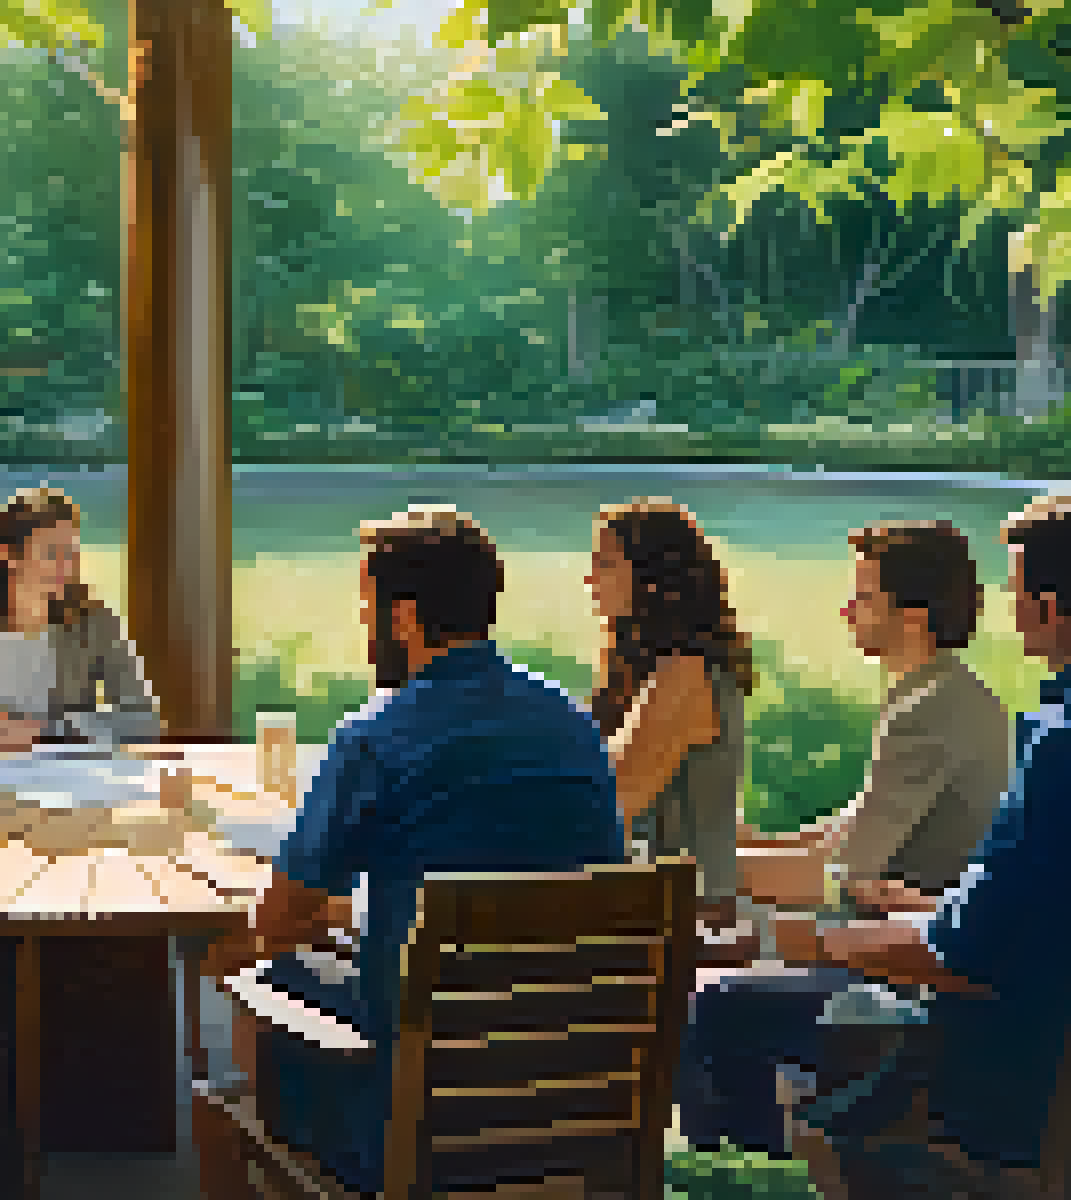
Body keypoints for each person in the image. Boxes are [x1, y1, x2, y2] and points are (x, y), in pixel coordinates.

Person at [773, 492, 1071, 1194]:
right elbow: (1049, 913)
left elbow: (966, 959)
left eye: (1015, 590)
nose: (1007, 607)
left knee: (777, 1028)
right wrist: (931, 910)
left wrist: (806, 941)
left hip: (1031, 1106)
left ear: (1047, 608)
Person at [192, 507, 630, 1197]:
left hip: (421, 1120)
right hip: (572, 1107)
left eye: (368, 607)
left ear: (402, 619)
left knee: (247, 1001)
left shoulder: (375, 738)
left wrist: (234, 950)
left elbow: (280, 921)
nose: (366, 626)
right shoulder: (576, 731)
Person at [678, 519, 1010, 1156]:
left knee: (707, 978)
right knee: (722, 922)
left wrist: (704, 870)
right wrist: (740, 845)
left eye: (862, 595)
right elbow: (841, 836)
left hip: (904, 973)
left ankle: (741, 1155)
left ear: (912, 616)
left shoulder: (929, 714)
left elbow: (841, 876)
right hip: (906, 946)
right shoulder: (944, 695)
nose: (846, 609)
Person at [587, 498, 756, 928]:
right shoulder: (661, 673)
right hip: (662, 903)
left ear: (652, 579)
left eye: (605, 564)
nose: (590, 579)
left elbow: (605, 805)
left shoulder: (682, 678)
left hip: (687, 918)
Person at [0, 486, 162, 752]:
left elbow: (144, 722)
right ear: (9, 555)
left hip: (74, 783)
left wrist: (48, 732)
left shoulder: (94, 622)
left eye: (71, 552)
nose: (67, 565)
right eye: (52, 553)